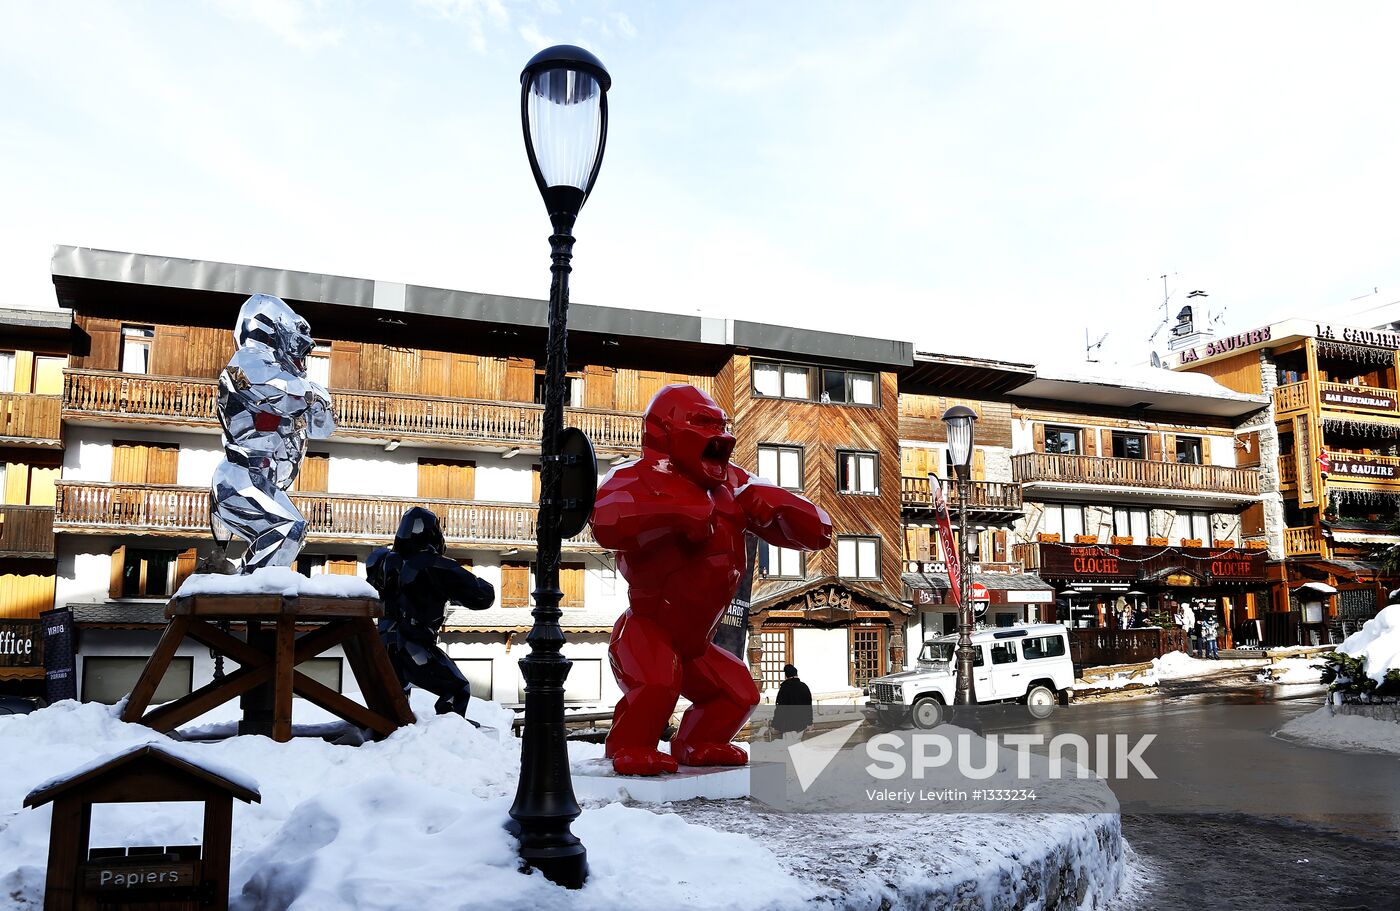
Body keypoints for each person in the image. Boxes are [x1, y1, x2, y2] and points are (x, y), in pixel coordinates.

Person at [592, 384, 832, 776]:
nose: (723, 436)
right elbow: (604, 520)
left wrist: (784, 508)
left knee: (739, 694)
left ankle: (698, 741)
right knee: (656, 685)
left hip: (695, 644)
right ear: (666, 431)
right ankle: (629, 746)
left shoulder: (735, 484)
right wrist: (675, 512)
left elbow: (820, 530)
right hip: (647, 630)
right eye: (703, 423)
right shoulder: (638, 477)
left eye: (722, 425)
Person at [368, 507, 495, 716]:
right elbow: (483, 596)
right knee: (457, 689)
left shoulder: (382, 560)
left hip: (380, 642)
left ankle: (396, 736)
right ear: (432, 533)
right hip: (413, 643)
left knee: (396, 699)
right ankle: (449, 734)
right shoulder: (435, 565)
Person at [773, 664, 813, 736]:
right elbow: (808, 706)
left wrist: (776, 725)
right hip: (802, 725)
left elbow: (780, 709)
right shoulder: (804, 687)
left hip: (788, 725)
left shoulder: (784, 688)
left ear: (786, 675)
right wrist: (810, 722)